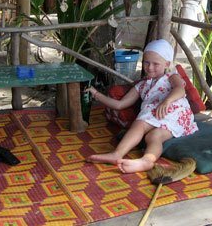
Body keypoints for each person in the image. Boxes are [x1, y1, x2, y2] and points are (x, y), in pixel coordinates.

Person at [84, 39, 199, 173]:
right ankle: (140, 160)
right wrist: (96, 94)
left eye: (155, 64)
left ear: (167, 64)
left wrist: (166, 101)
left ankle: (130, 157)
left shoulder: (171, 76)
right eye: (146, 62)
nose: (150, 67)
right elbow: (120, 105)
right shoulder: (141, 85)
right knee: (152, 136)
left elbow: (180, 89)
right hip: (156, 117)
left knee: (143, 126)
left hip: (175, 114)